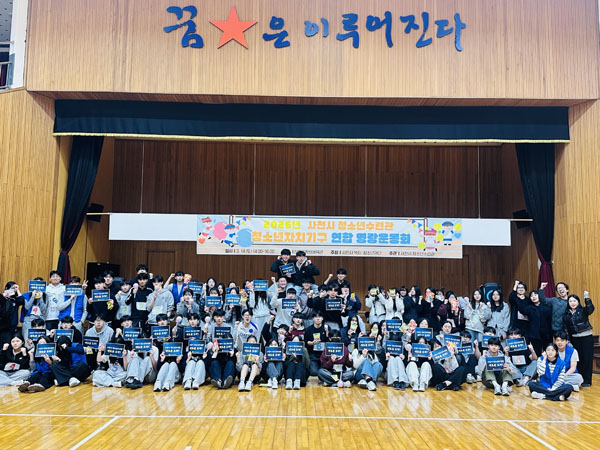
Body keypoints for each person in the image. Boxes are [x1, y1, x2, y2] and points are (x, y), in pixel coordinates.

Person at [563, 293, 594, 387]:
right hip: (575, 339)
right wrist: (568, 341)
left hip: (586, 337)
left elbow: (590, 309)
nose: (572, 303)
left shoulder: (583, 310)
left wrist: (587, 298)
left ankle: (587, 380)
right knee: (578, 359)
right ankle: (580, 379)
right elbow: (566, 329)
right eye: (570, 301)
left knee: (587, 358)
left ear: (578, 302)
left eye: (574, 301)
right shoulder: (566, 314)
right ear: (568, 303)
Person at [515, 290, 553, 356]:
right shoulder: (529, 308)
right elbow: (521, 309)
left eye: (535, 295)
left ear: (539, 296)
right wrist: (521, 300)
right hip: (534, 335)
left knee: (548, 352)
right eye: (531, 296)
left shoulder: (547, 308)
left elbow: (550, 321)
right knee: (536, 353)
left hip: (546, 334)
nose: (534, 297)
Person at [181, 312, 209, 390]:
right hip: (189, 355)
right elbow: (180, 346)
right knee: (191, 363)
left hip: (200, 355)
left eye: (194, 319)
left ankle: (196, 381)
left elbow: (206, 345)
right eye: (190, 319)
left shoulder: (202, 332)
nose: (192, 321)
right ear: (188, 321)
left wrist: (205, 335)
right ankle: (188, 381)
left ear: (198, 321)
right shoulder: (184, 332)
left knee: (200, 362)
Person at [21, 279, 47, 346]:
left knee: (40, 339)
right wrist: (32, 296)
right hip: (28, 320)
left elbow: (43, 309)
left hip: (40, 320)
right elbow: (27, 307)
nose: (37, 287)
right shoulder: (26, 295)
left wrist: (41, 297)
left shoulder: (45, 296)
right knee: (27, 340)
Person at [304, 311, 328, 376]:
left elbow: (329, 341)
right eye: (316, 317)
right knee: (314, 372)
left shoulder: (326, 328)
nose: (318, 318)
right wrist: (312, 343)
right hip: (313, 355)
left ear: (322, 318)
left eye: (319, 317)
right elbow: (306, 342)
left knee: (325, 371)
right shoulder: (308, 329)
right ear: (313, 318)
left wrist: (327, 332)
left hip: (324, 355)